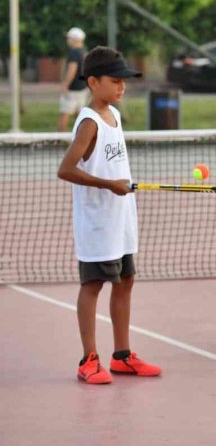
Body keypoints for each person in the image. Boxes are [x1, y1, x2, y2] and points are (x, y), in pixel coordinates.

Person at [56, 46, 161, 384]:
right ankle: (88, 360)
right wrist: (107, 184)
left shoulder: (113, 117)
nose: (122, 87)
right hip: (98, 223)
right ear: (93, 81)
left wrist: (119, 188)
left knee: (126, 280)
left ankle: (122, 356)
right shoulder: (88, 122)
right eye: (115, 81)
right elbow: (66, 170)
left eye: (124, 81)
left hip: (122, 219)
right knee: (93, 284)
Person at [57, 27, 89, 132]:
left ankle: (60, 138)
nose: (67, 40)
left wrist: (65, 85)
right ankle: (79, 138)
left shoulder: (74, 53)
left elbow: (72, 70)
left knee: (64, 113)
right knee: (79, 115)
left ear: (73, 39)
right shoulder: (84, 52)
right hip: (83, 87)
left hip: (72, 89)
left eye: (69, 38)